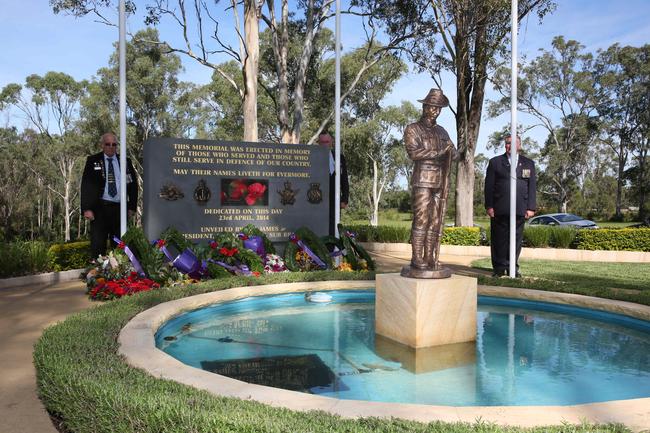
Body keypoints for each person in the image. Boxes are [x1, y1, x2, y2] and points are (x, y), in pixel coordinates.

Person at [401, 89, 457, 278]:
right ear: (425, 106)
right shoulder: (413, 129)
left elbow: (454, 154)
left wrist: (454, 151)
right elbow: (414, 153)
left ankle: (431, 256)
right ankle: (417, 257)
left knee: (436, 220)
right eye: (432, 107)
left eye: (438, 108)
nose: (435, 111)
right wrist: (439, 153)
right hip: (423, 179)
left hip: (440, 181)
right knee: (422, 218)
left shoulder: (442, 131)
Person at [484, 134, 536, 277]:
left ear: (519, 145)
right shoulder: (495, 162)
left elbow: (531, 187)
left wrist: (531, 207)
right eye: (507, 143)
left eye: (513, 143)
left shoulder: (528, 163)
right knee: (499, 240)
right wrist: (489, 206)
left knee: (516, 240)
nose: (509, 146)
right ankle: (499, 268)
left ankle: (513, 267)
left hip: (520, 208)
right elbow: (489, 187)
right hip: (499, 209)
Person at [81, 132, 138, 259]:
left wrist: (132, 207)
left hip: (120, 209)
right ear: (102, 145)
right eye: (108, 144)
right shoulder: (93, 160)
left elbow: (133, 186)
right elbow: (86, 185)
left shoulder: (125, 162)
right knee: (98, 245)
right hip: (99, 209)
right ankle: (97, 276)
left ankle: (120, 275)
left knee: (120, 245)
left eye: (114, 144)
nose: (111, 147)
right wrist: (86, 208)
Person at [318, 131, 349, 236]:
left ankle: (334, 250)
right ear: (318, 143)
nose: (324, 144)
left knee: (334, 227)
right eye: (322, 142)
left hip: (335, 200)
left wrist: (345, 199)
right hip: (318, 200)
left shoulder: (340, 158)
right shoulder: (313, 157)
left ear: (331, 142)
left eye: (326, 141)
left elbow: (344, 180)